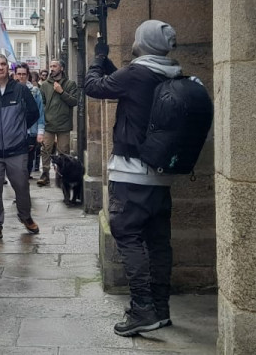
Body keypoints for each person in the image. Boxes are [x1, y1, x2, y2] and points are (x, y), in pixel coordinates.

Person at [84, 20, 181, 337]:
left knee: (127, 236)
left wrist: (98, 59)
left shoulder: (137, 73)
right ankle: (160, 310)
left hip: (131, 173)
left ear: (144, 42)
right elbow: (124, 86)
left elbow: (94, 87)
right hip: (159, 175)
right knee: (158, 242)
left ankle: (142, 309)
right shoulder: (171, 73)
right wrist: (109, 67)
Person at [0, 54, 41, 242]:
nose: (0, 68)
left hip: (16, 149)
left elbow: (33, 112)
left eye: (3, 64)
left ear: (8, 67)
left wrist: (20, 129)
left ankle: (25, 216)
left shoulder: (20, 90)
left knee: (21, 186)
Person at [39, 59, 79, 187]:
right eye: (50, 66)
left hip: (64, 124)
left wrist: (61, 92)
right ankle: (45, 174)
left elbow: (74, 101)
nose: (52, 68)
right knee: (45, 149)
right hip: (48, 124)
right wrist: (44, 117)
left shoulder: (70, 84)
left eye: (55, 66)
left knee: (64, 152)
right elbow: (42, 103)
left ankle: (61, 175)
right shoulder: (45, 85)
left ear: (61, 68)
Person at [14, 63, 46, 177]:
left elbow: (40, 112)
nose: (21, 77)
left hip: (31, 131)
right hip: (15, 131)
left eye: (24, 74)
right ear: (15, 75)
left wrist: (40, 132)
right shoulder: (10, 91)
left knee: (28, 160)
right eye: (19, 74)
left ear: (28, 75)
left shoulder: (35, 91)